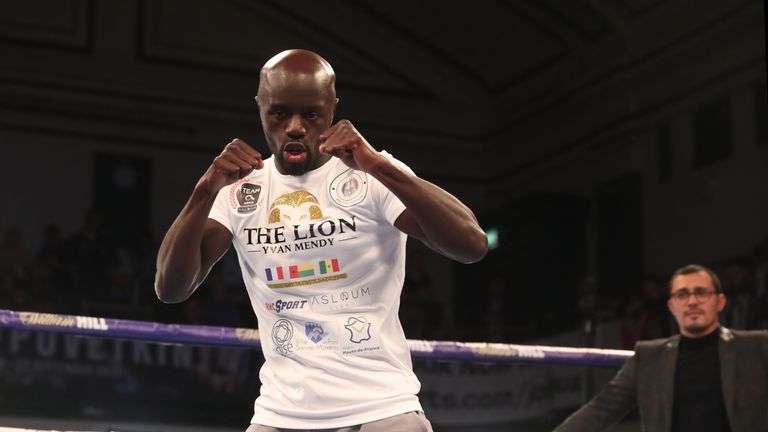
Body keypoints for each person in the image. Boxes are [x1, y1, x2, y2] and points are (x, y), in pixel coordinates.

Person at [154, 49, 487, 431]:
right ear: (260, 107)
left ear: (332, 108)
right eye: (280, 113)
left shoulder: (370, 175)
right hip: (280, 415)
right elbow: (171, 288)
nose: (295, 127)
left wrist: (377, 163)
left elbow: (472, 245)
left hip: (383, 409)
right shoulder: (239, 191)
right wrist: (204, 190)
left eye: (310, 114)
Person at [554, 263, 768, 432]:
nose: (692, 301)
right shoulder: (649, 358)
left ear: (720, 302)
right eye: (682, 295)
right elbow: (601, 410)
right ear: (672, 306)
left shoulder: (756, 347)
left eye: (701, 292)